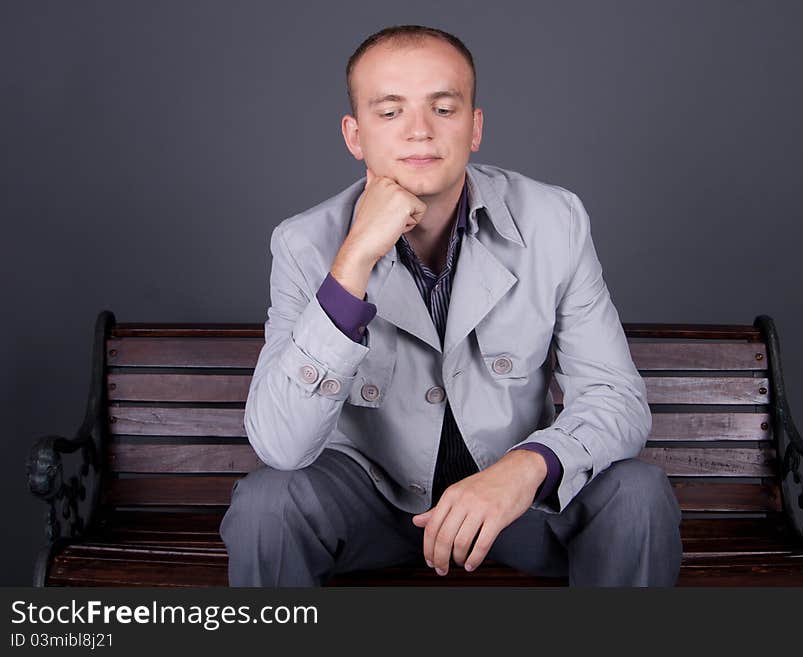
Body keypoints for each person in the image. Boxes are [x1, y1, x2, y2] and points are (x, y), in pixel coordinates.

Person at [220, 24, 682, 587]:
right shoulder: (303, 242)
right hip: (371, 503)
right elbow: (281, 446)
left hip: (514, 505)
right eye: (389, 112)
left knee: (638, 493)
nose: (419, 131)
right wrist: (354, 261)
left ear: (475, 126)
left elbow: (618, 398)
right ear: (355, 135)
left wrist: (529, 466)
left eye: (443, 108)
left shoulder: (553, 220)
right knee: (267, 504)